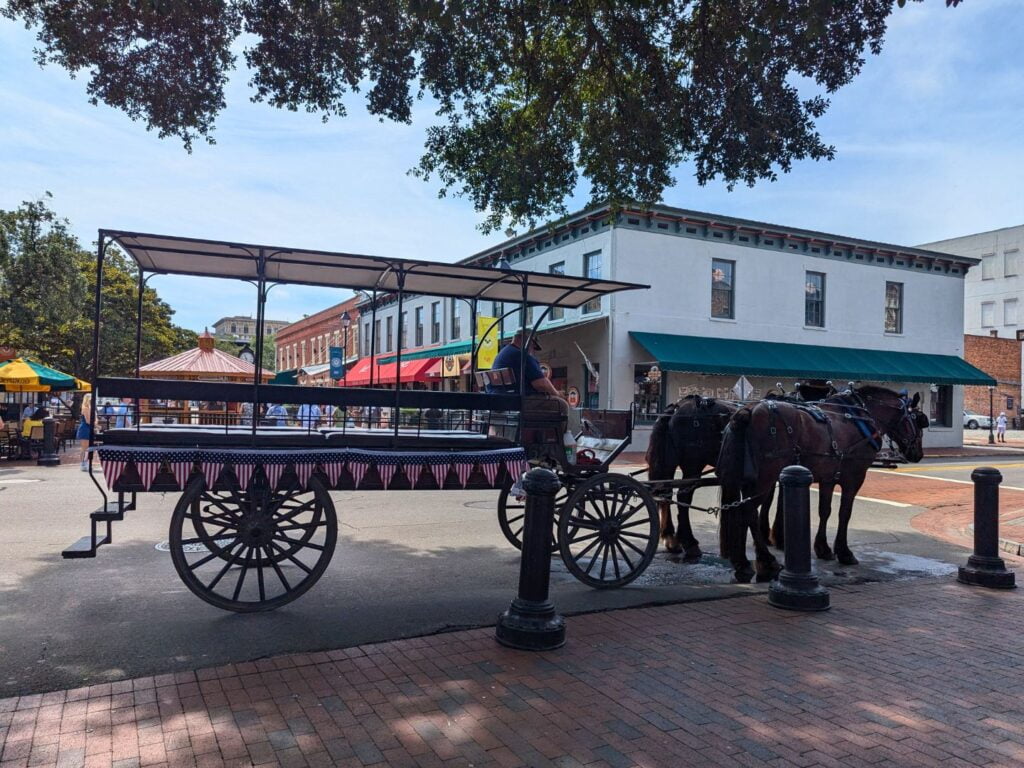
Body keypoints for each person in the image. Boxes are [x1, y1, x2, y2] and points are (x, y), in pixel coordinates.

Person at [487, 329, 578, 437]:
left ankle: (541, 435)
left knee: (550, 402)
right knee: (561, 405)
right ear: (528, 341)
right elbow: (541, 384)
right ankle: (558, 441)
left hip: (503, 400)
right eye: (533, 347)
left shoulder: (503, 353)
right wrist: (557, 394)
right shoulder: (522, 355)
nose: (533, 350)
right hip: (517, 401)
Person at [77, 393, 93, 470]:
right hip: (85, 428)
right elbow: (88, 421)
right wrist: (95, 424)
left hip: (88, 428)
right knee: (84, 448)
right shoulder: (85, 408)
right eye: (90, 399)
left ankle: (86, 462)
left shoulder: (89, 408)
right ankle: (83, 464)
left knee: (88, 447)